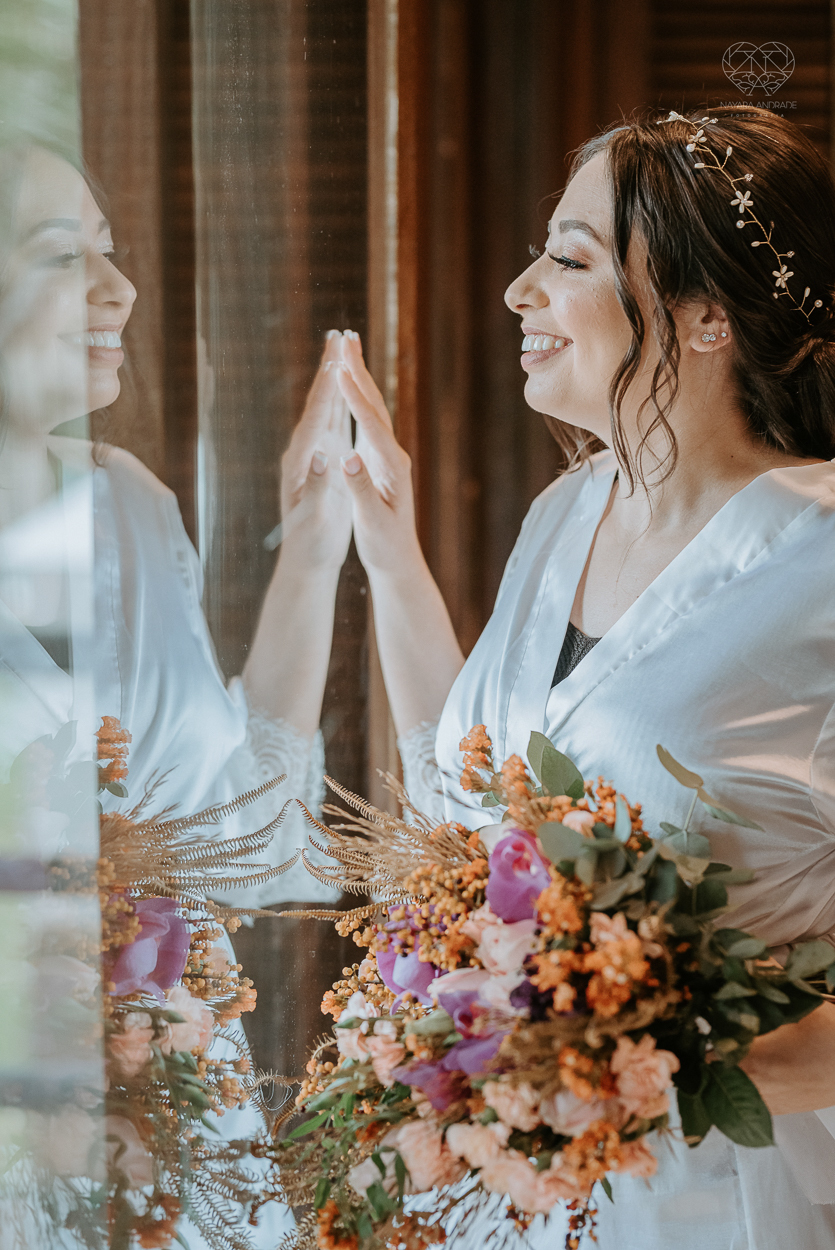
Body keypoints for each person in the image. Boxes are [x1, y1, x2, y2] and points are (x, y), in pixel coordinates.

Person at [330, 106, 835, 1248]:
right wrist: (390, 549)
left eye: (569, 259)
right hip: (505, 1204)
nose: (519, 289)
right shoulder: (566, 511)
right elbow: (466, 818)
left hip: (735, 1211)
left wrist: (612, 1060)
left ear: (706, 316)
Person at [0, 141, 353, 1245]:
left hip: (187, 1124)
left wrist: (311, 549)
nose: (120, 290)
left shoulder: (131, 510)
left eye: (112, 252)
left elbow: (232, 830)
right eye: (66, 256)